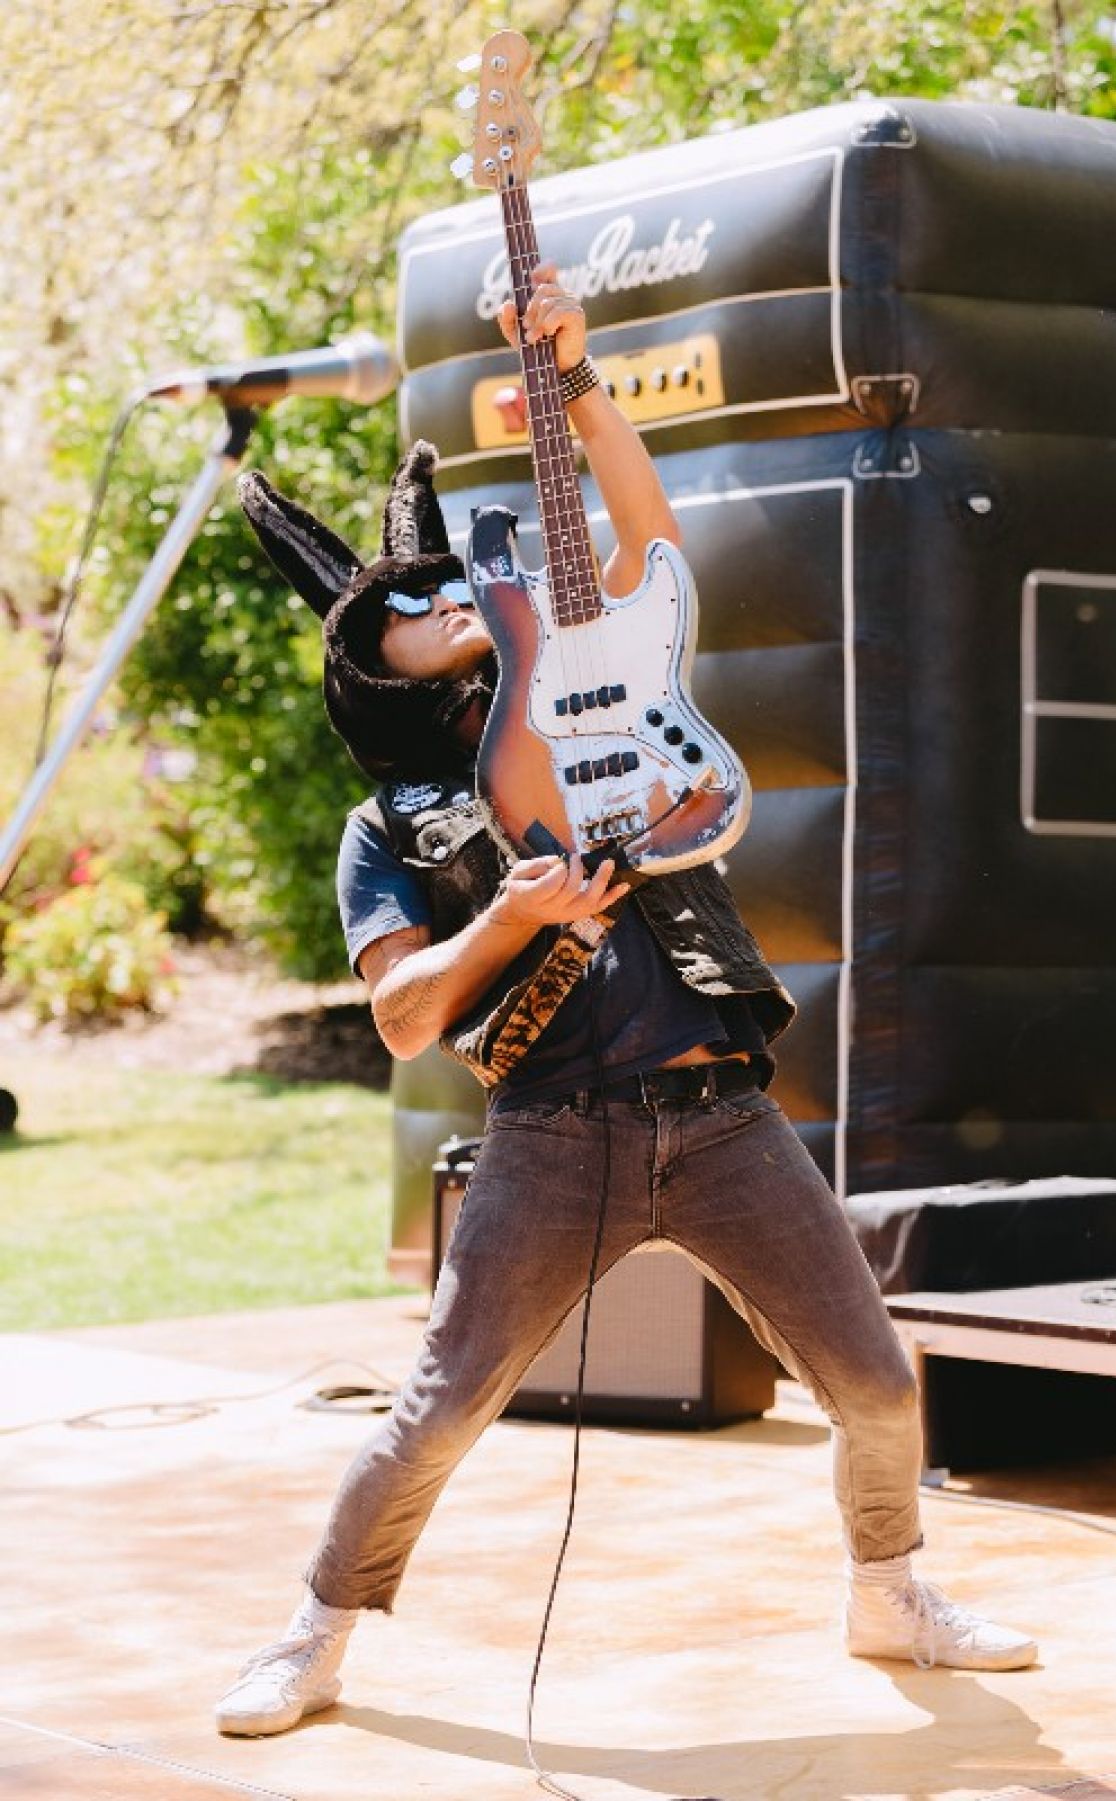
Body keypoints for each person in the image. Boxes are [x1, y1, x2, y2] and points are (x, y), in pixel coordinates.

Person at [216, 266, 1037, 1739]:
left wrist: (578, 379)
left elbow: (649, 544)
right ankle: (316, 1627)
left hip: (721, 1112)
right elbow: (405, 1016)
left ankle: (891, 1589)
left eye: (444, 581)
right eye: (401, 607)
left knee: (878, 1379)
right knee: (440, 1410)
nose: (436, 596)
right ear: (372, 667)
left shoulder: (599, 684)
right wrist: (511, 923)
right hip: (552, 1130)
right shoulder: (390, 829)